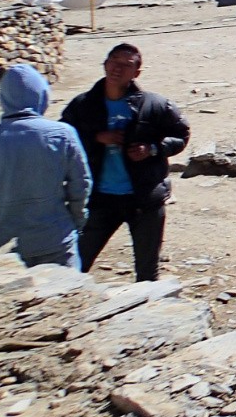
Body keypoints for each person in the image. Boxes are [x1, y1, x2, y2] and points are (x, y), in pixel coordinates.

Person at [61, 43, 190, 282]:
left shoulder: (155, 105)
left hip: (144, 200)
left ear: (137, 73)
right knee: (75, 264)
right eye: (113, 61)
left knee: (147, 272)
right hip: (98, 199)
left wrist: (152, 149)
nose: (117, 68)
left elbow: (181, 136)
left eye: (126, 64)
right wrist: (96, 138)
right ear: (105, 64)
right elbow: (64, 140)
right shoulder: (82, 105)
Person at [0, 63, 91, 268]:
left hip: (6, 245)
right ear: (41, 95)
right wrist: (75, 222)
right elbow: (81, 185)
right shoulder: (62, 134)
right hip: (56, 240)